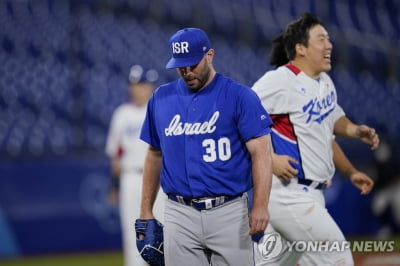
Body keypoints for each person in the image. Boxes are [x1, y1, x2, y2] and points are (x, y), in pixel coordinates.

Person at [251, 13, 379, 265]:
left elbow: (328, 129)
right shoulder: (280, 80)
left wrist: (352, 147)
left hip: (311, 196)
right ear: (301, 48)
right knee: (338, 258)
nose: (329, 45)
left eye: (328, 39)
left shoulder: (324, 82)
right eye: (321, 39)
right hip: (289, 195)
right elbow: (238, 118)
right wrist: (269, 158)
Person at [138, 27, 273, 266]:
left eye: (193, 64)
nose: (187, 72)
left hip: (229, 211)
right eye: (181, 66)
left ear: (209, 55)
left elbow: (261, 153)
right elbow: (154, 154)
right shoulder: (161, 98)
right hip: (179, 213)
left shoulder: (240, 96)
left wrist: (260, 205)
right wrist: (146, 210)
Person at [105, 65, 166, 266]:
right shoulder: (121, 114)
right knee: (134, 233)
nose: (136, 89)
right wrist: (114, 185)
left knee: (165, 232)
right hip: (131, 178)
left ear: (151, 86)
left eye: (141, 84)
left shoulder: (162, 110)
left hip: (160, 179)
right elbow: (116, 155)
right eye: (133, 84)